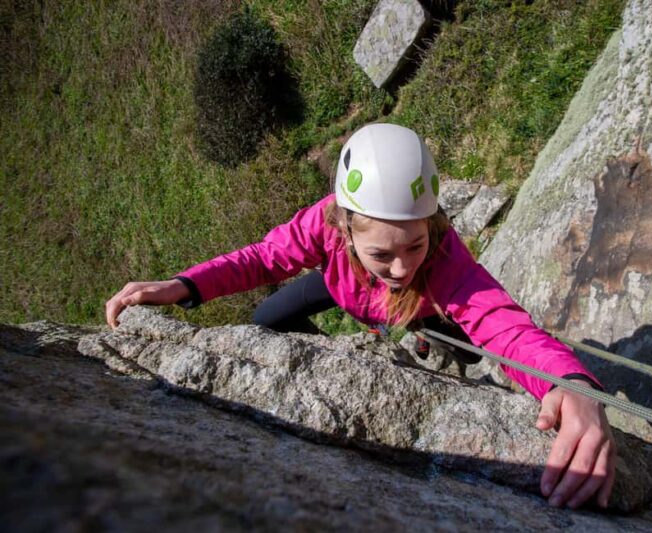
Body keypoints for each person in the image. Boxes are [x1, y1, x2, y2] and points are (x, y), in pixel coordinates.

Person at [105, 123, 616, 509]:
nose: (401, 267)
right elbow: (262, 259)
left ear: (431, 226)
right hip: (344, 289)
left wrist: (569, 383)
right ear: (345, 231)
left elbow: (504, 326)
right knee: (268, 318)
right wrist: (185, 285)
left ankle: (427, 336)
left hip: (422, 307)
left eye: (414, 244)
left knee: (460, 343)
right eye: (382, 254)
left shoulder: (442, 260)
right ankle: (374, 341)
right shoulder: (325, 224)